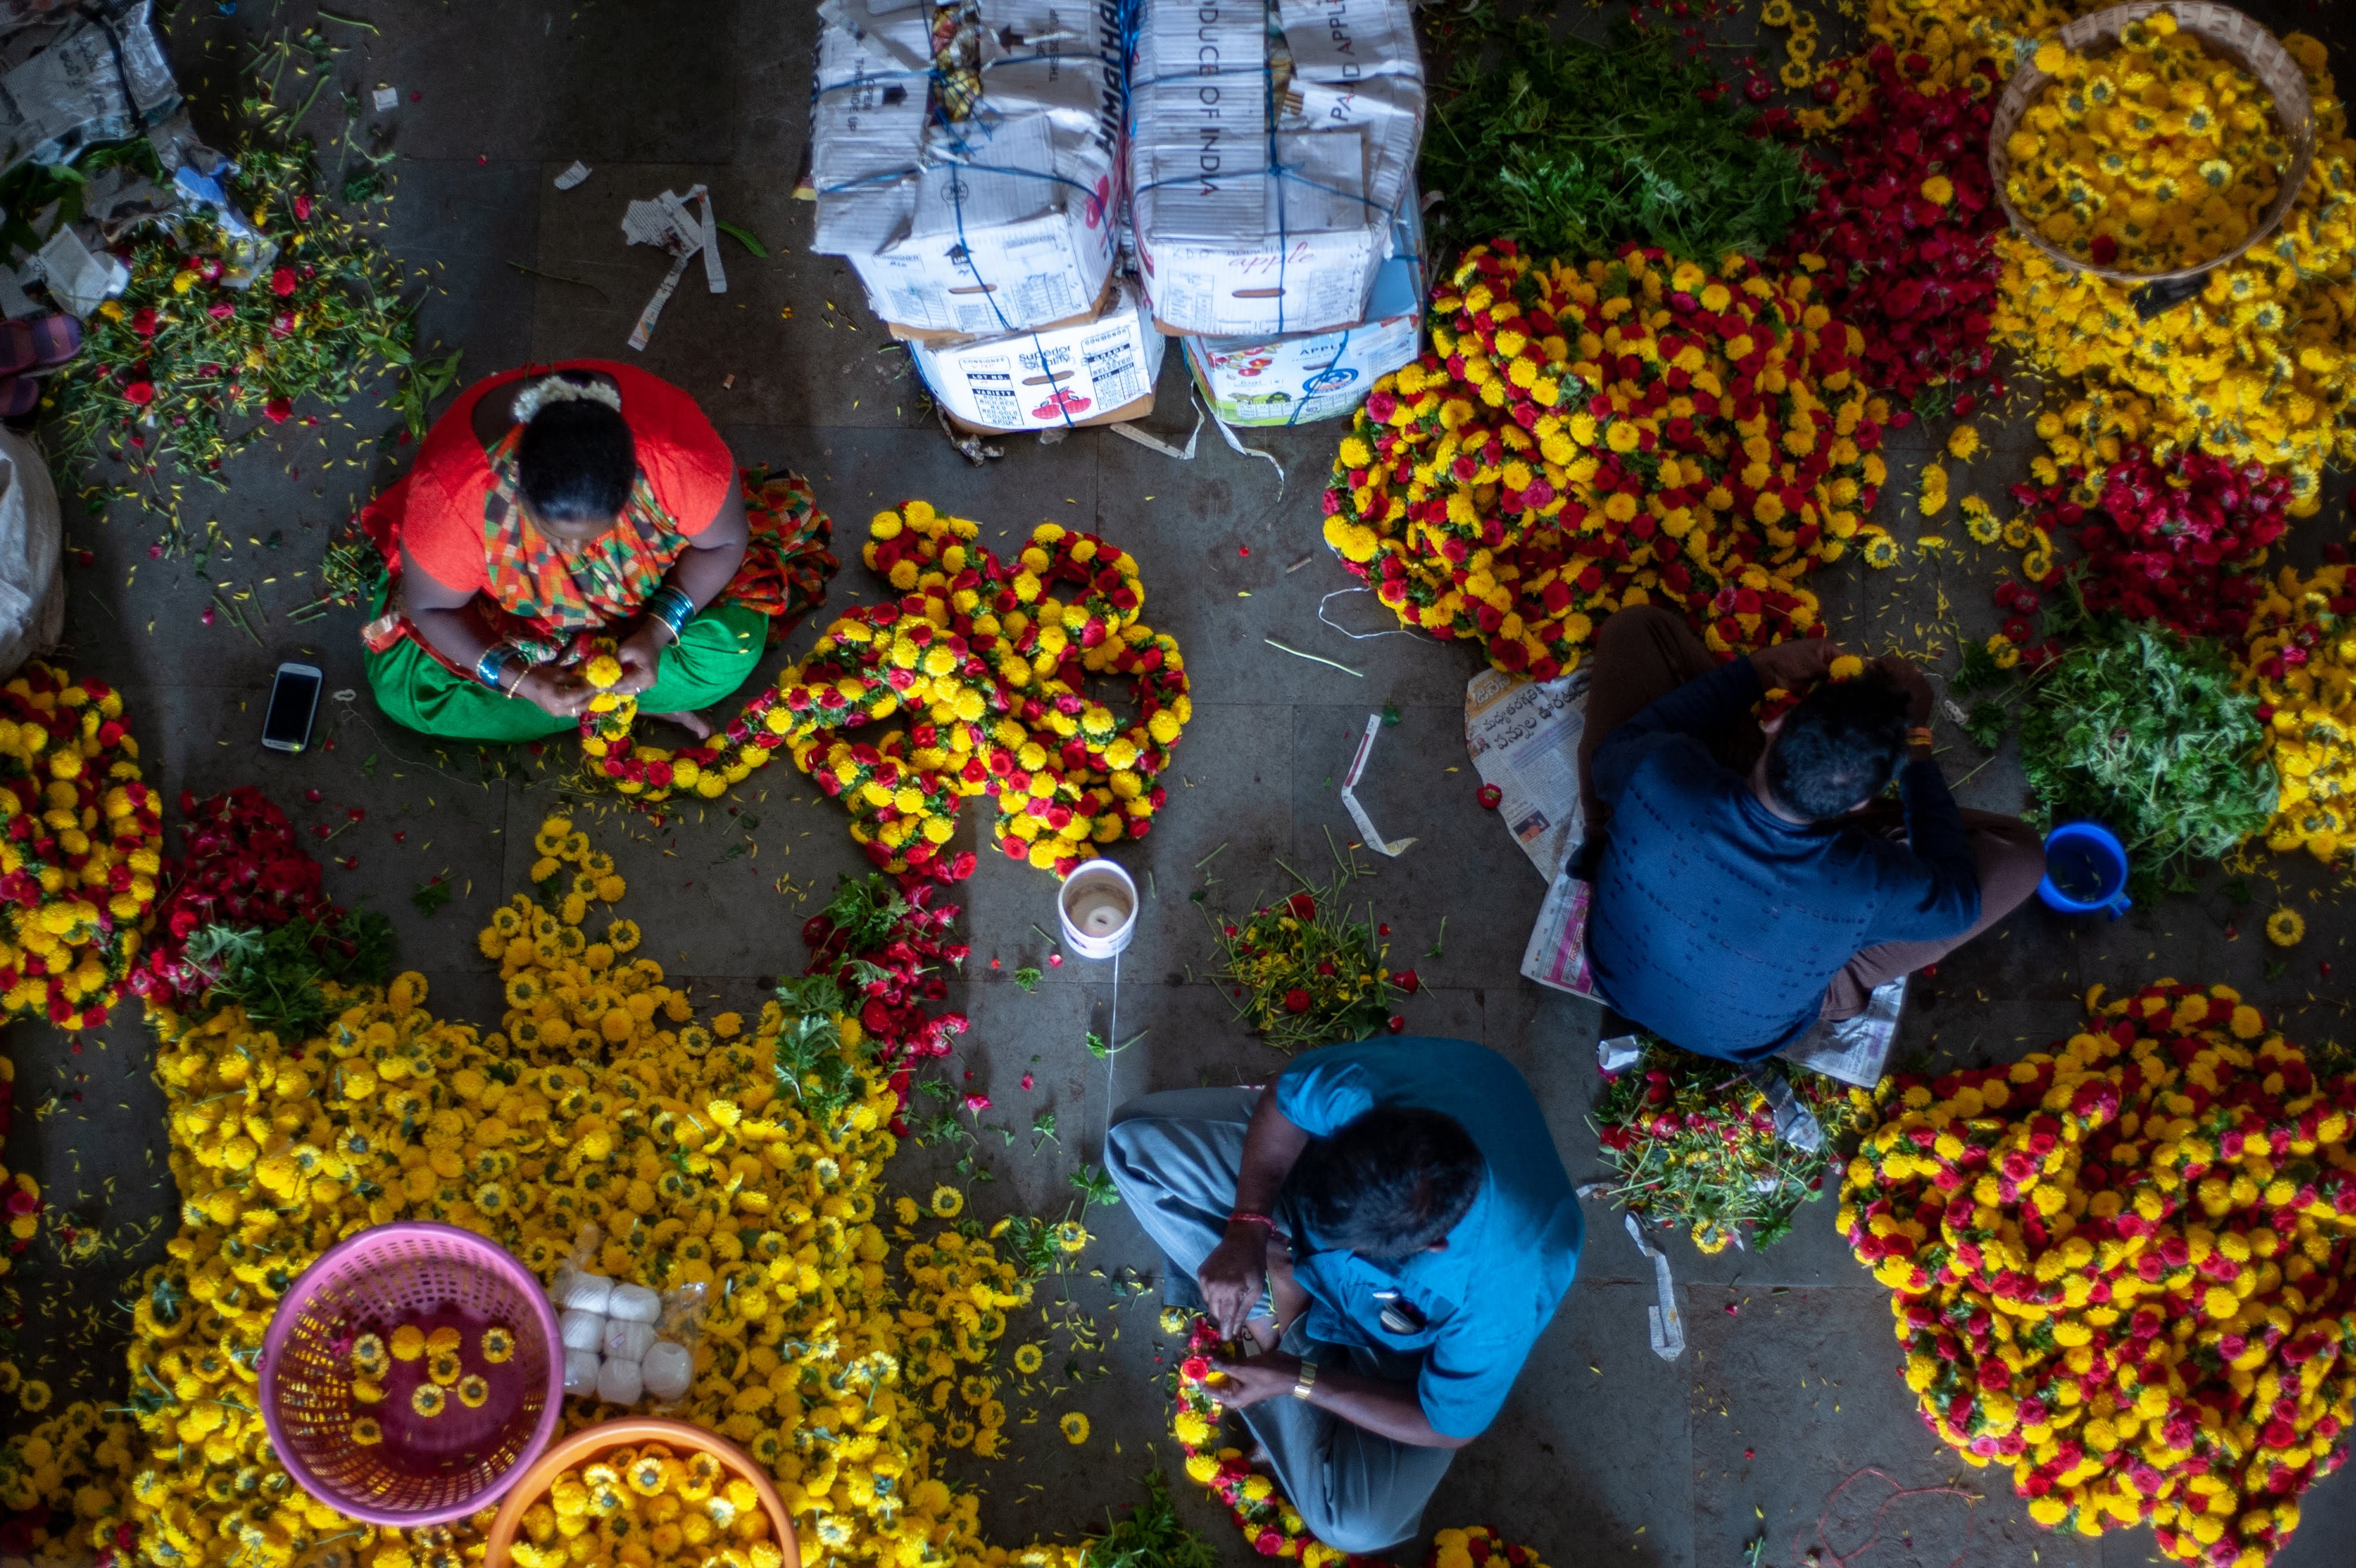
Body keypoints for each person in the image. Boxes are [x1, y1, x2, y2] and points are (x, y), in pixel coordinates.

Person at [1106, 1038, 1580, 1555]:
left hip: (1398, 1348)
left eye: (1350, 1248)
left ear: (1432, 1243)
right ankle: (1269, 1307)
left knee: (1355, 1524)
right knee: (1133, 1142)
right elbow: (1283, 1102)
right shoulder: (1367, 1091)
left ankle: (1282, 1321)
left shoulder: (1509, 1278)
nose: (1321, 1256)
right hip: (1294, 1222)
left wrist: (1299, 1379)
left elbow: (1445, 1425)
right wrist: (1249, 1225)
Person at [1575, 605, 2047, 1062]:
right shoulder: (1862, 882)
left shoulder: (1664, 772)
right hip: (1736, 1032)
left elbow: (1616, 748)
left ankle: (1607, 831)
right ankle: (1833, 979)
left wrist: (1761, 670)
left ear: (1775, 722)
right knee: (2022, 858)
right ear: (1861, 803)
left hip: (1618, 977)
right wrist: (1915, 742)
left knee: (1635, 629)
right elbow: (1958, 904)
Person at [359, 360, 835, 743]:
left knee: (729, 651)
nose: (578, 556)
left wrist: (653, 634)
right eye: (556, 538)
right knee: (407, 694)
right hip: (522, 629)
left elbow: (726, 541)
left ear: (632, 481)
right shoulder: (455, 500)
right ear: (520, 492)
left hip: (647, 601)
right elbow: (431, 605)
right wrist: (523, 681)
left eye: (597, 535)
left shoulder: (677, 456)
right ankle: (627, 700)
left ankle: (603, 700)